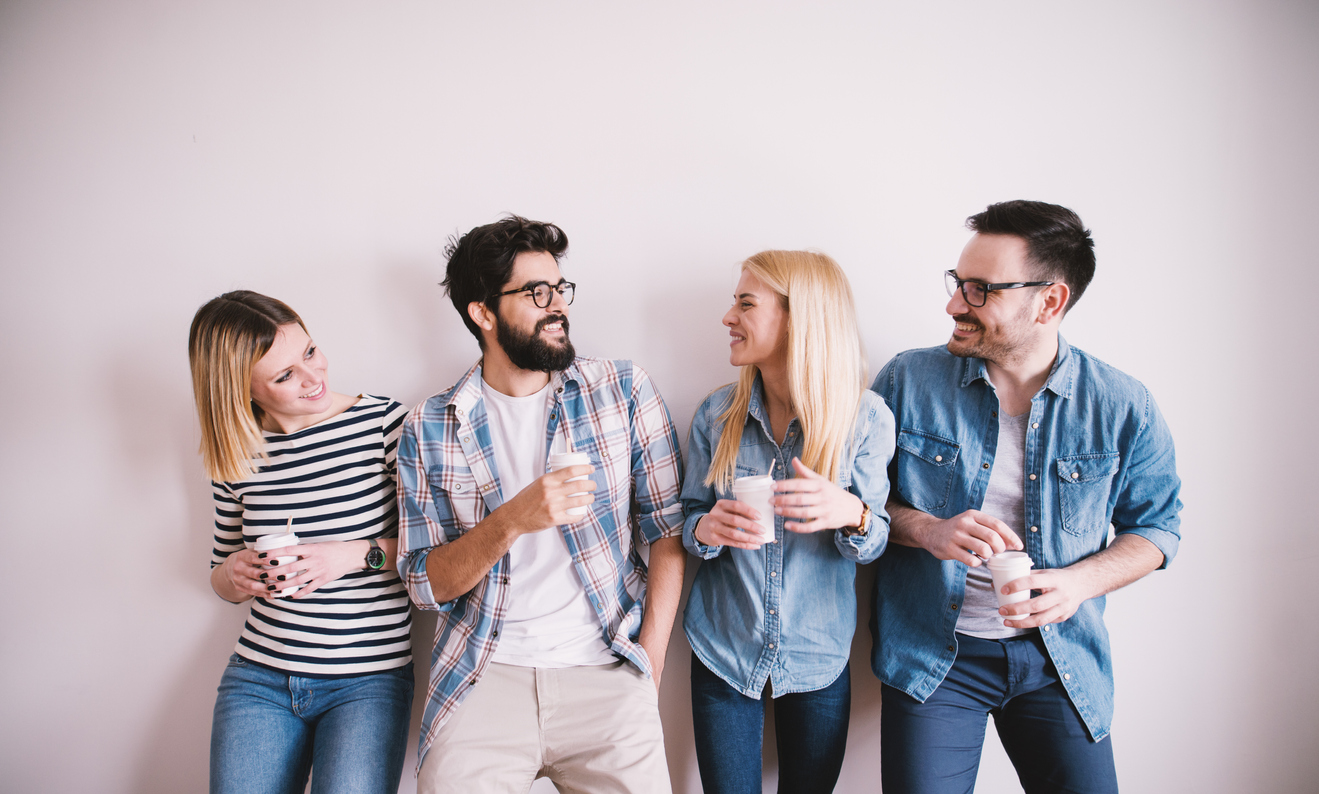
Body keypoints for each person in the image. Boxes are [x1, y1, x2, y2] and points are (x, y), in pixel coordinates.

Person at [870, 200, 1183, 793]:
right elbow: (859, 506)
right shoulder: (907, 381)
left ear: (1050, 301)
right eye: (958, 284)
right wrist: (926, 529)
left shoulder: (1121, 404)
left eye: (980, 290)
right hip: (935, 661)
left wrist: (1080, 583)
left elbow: (1159, 530)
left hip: (1059, 662)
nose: (954, 304)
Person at [396, 215, 686, 794]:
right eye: (536, 293)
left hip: (606, 672)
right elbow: (425, 585)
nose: (558, 306)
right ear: (483, 313)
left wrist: (646, 672)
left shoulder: (622, 391)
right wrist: (511, 520)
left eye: (560, 289)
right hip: (483, 675)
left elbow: (667, 536)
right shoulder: (429, 425)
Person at [681, 250, 894, 793]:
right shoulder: (714, 416)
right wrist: (706, 531)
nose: (728, 318)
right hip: (724, 652)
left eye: (745, 304)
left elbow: (876, 541)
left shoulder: (865, 419)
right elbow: (686, 522)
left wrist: (851, 513)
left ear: (799, 317)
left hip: (818, 657)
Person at [187, 290, 413, 794]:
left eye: (309, 352)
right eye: (285, 375)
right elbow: (222, 575)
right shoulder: (237, 456)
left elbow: (435, 553)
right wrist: (234, 574)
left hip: (367, 682)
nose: (314, 377)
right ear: (241, 390)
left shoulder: (381, 424)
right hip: (259, 677)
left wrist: (353, 555)